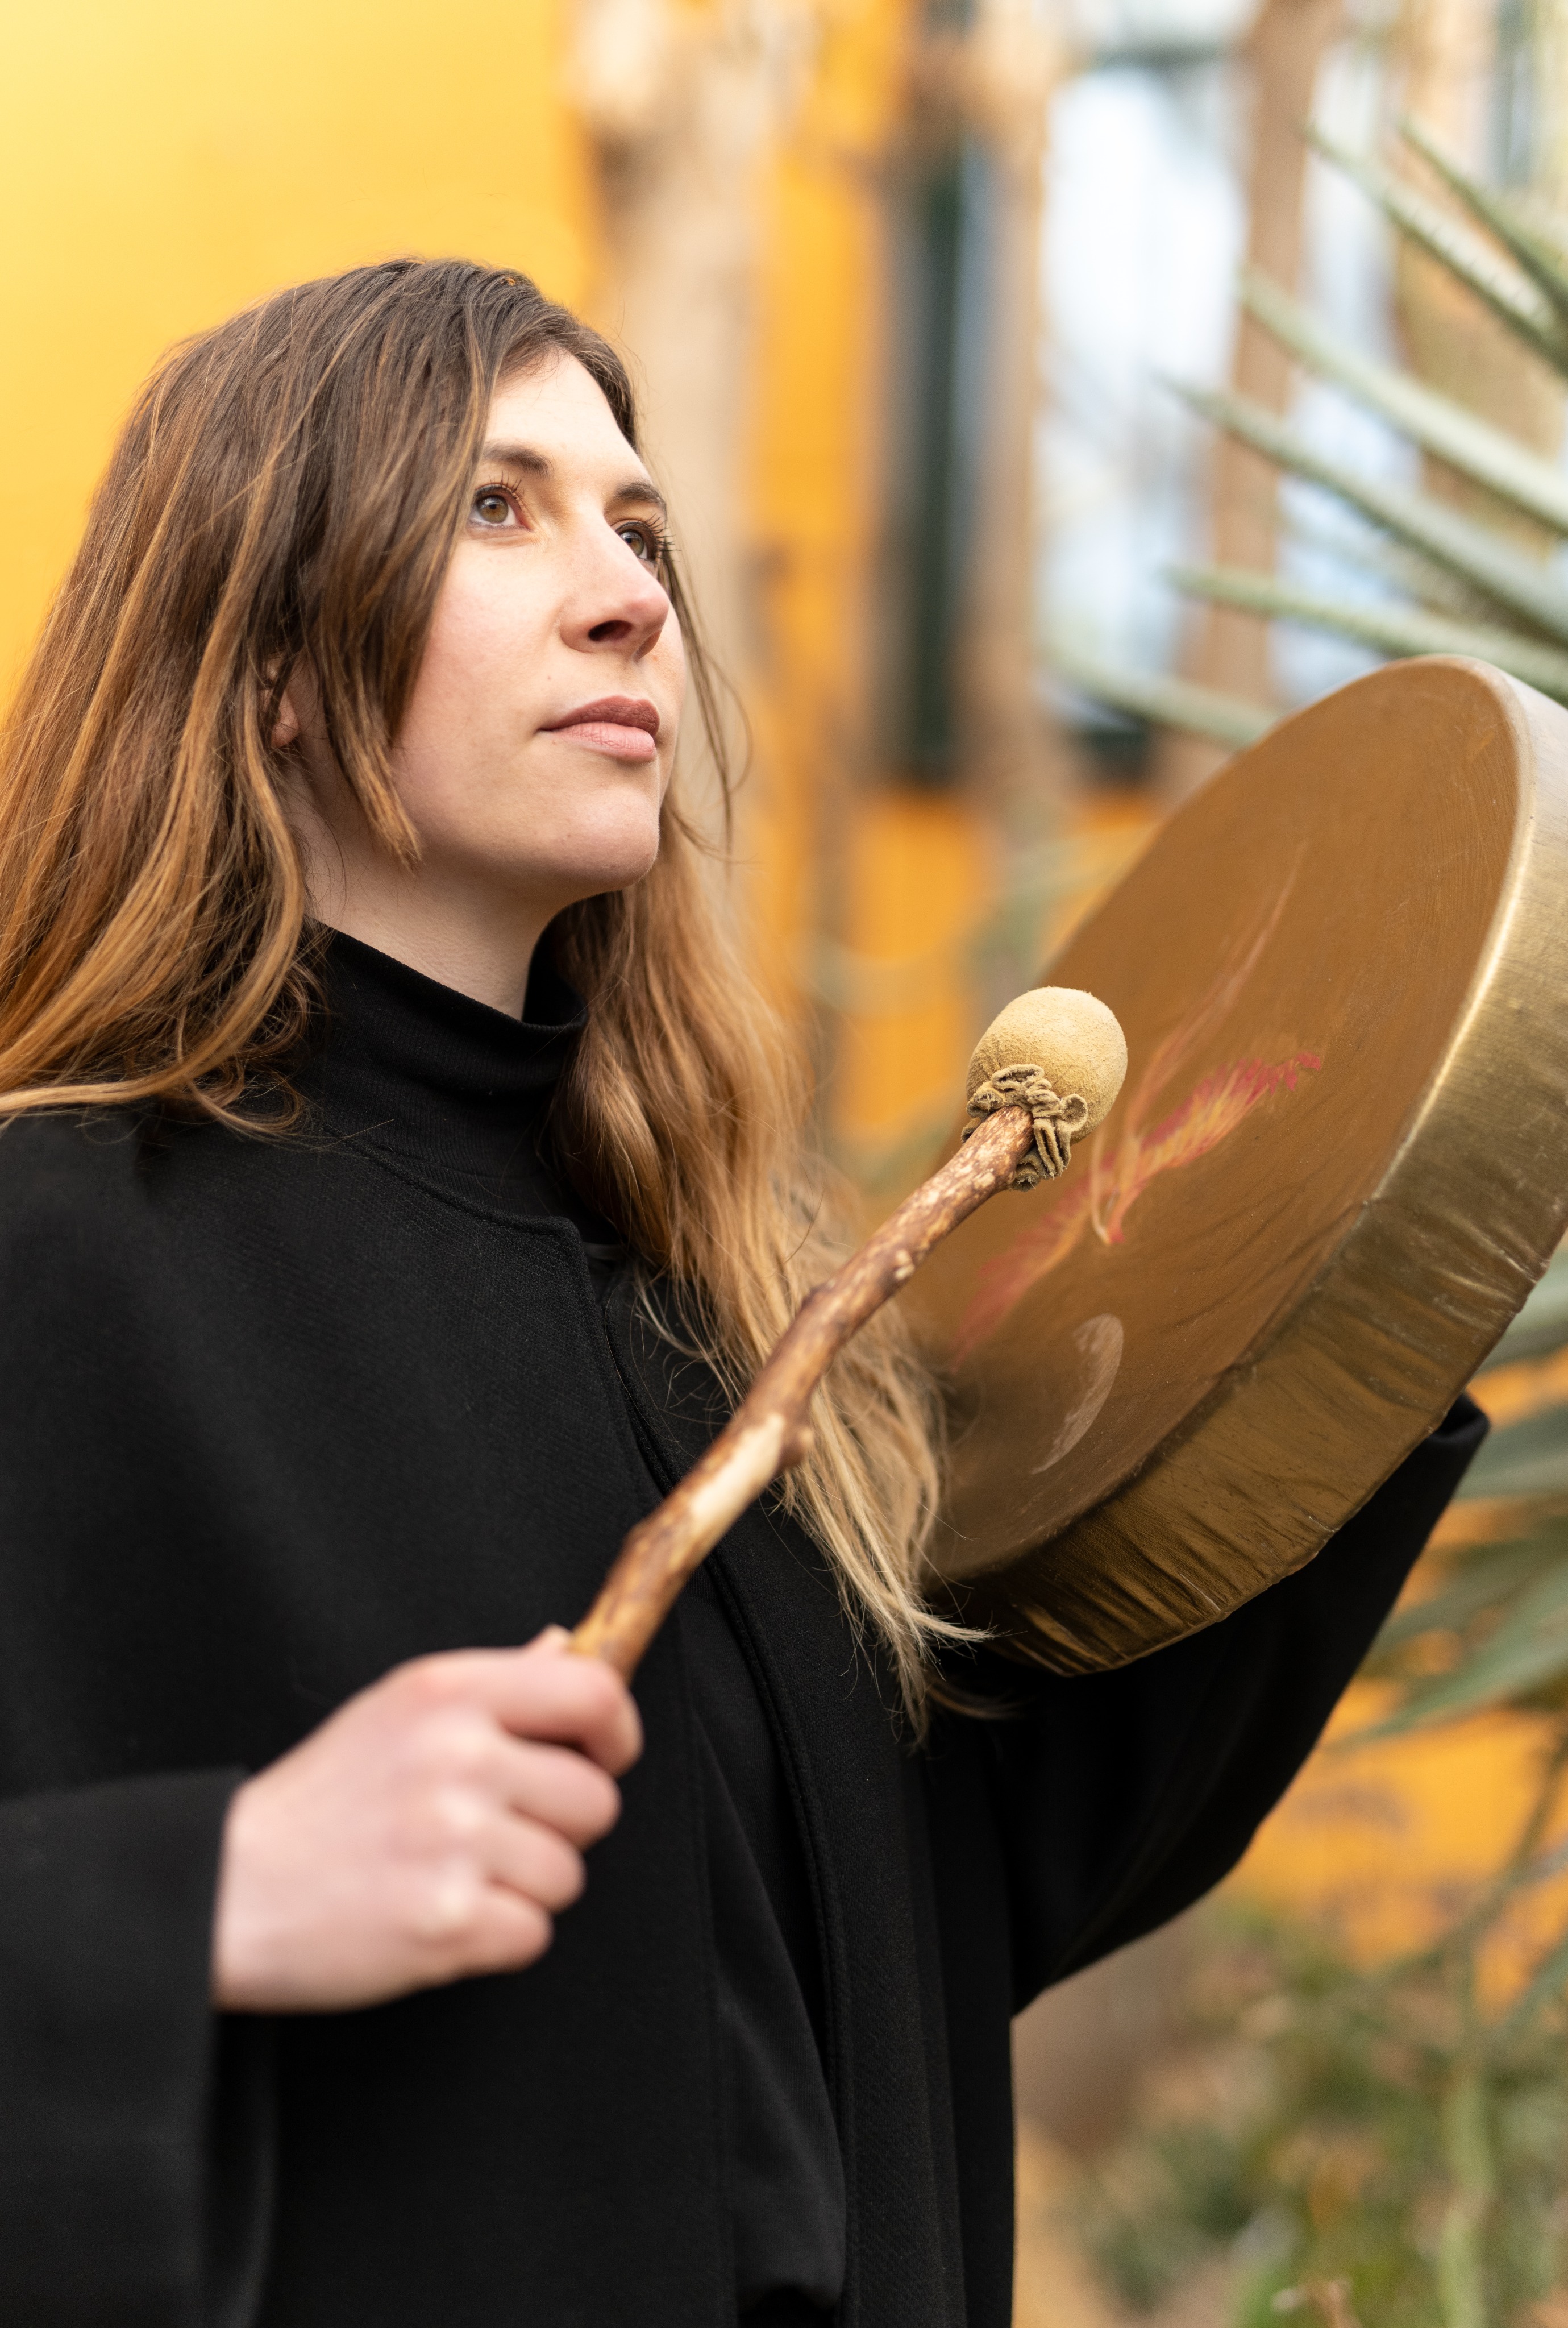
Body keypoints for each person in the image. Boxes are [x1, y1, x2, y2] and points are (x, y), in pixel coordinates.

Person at [0, 259, 1482, 2328]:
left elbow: (950, 1907)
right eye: (498, 508)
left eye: (642, 530)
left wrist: (1395, 1256)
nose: (629, 598)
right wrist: (206, 1895)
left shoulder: (721, 1307)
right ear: (268, 669)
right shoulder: (57, 1251)